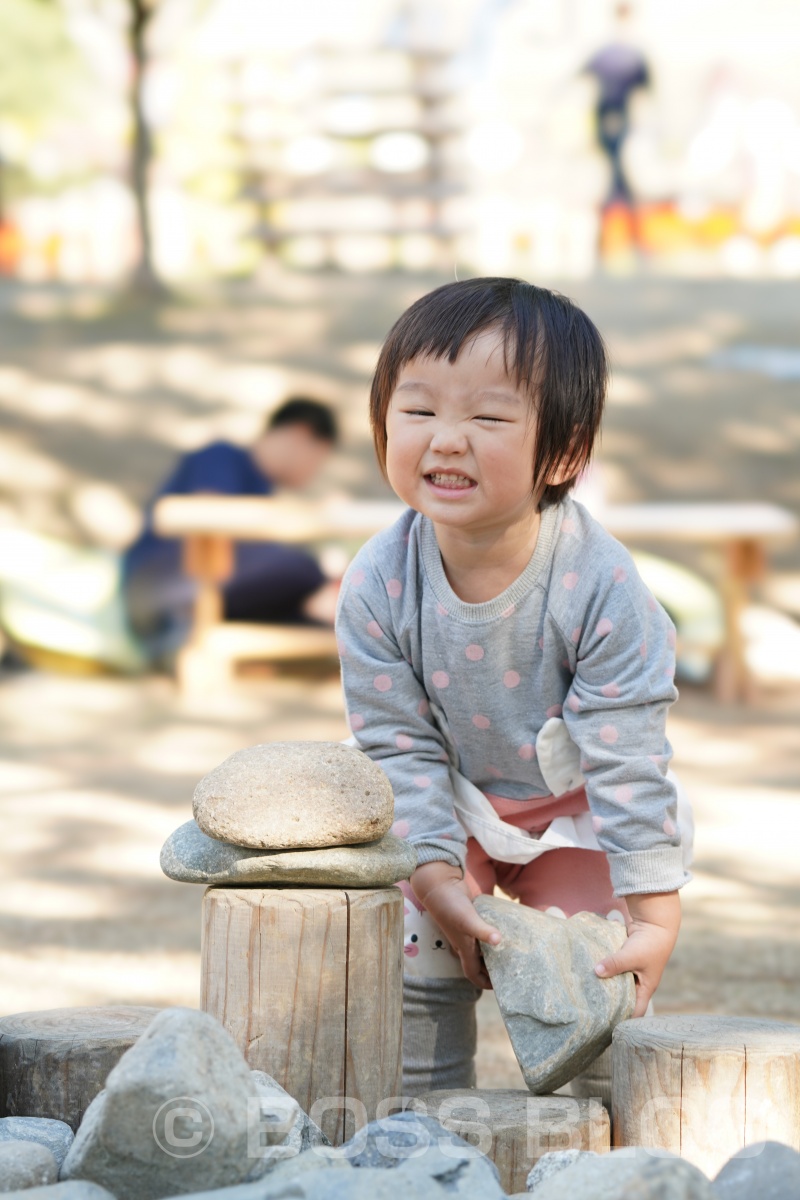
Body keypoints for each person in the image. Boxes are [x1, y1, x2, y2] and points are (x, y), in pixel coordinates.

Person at [335, 277, 692, 1096]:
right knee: (418, 953)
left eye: (488, 418)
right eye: (417, 411)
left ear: (563, 454)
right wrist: (433, 873)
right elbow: (398, 743)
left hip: (576, 813)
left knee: (590, 979)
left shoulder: (599, 587)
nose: (445, 440)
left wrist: (655, 915)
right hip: (452, 805)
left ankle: (602, 1153)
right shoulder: (379, 583)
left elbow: (628, 755)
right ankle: (426, 1128)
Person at [124, 397, 339, 661]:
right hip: (158, 587)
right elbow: (209, 513)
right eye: (318, 459)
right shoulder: (222, 456)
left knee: (309, 615)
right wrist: (310, 516)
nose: (313, 472)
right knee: (303, 568)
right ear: (300, 433)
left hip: (191, 590)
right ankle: (178, 635)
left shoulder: (262, 489)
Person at [585, 3, 650, 209]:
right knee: (613, 164)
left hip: (620, 115)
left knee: (619, 163)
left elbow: (644, 90)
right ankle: (619, 203)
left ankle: (620, 203)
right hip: (609, 112)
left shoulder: (632, 54)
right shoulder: (607, 51)